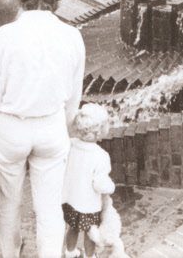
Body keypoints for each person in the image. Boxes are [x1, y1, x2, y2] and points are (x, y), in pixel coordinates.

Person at [0, 0, 86, 258]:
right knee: (49, 207)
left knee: (8, 202)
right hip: (51, 128)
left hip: (10, 130)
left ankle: (12, 252)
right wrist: (67, 126)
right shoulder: (73, 36)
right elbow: (74, 96)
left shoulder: (4, 37)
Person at [62, 104, 115, 258]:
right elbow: (99, 183)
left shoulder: (69, 144)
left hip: (69, 199)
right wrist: (111, 187)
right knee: (90, 232)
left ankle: (70, 252)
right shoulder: (101, 155)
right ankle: (89, 256)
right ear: (100, 131)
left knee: (72, 227)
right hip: (89, 205)